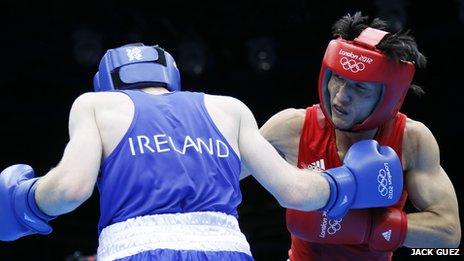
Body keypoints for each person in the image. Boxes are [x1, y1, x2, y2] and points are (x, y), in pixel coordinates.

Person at [0, 43, 404, 261]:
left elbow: (69, 190)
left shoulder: (96, 105)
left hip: (136, 250)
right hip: (228, 250)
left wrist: (23, 200)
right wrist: (347, 182)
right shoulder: (229, 108)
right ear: (171, 79)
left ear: (107, 84)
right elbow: (296, 192)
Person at [252, 12, 461, 260]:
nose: (340, 97)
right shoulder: (291, 127)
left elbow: (448, 235)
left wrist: (371, 228)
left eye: (359, 87)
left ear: (389, 96)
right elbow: (223, 172)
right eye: (338, 78)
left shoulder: (411, 140)